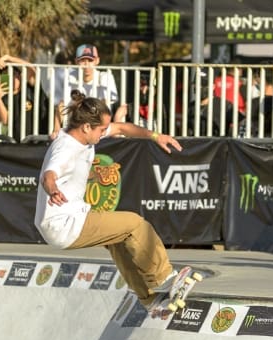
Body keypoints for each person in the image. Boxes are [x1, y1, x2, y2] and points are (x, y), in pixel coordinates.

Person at [35, 93, 183, 310]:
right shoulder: (66, 147)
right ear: (86, 127)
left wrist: (155, 136)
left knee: (118, 240)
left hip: (64, 221)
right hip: (64, 224)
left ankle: (150, 299)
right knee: (134, 224)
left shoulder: (83, 135)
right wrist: (52, 189)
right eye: (101, 130)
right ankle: (165, 278)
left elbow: (122, 128)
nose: (104, 133)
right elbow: (49, 174)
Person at [0, 54, 53, 140]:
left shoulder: (31, 88)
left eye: (13, 74)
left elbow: (31, 69)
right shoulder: (5, 97)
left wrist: (9, 58)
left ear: (20, 75)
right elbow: (5, 121)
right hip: (17, 144)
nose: (11, 77)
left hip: (38, 141)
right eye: (6, 75)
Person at [66, 44, 126, 123]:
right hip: (76, 125)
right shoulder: (70, 76)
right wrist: (56, 129)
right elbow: (61, 104)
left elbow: (105, 103)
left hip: (98, 125)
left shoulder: (105, 76)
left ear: (97, 61)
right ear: (76, 62)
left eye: (90, 60)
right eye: (83, 60)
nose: (86, 64)